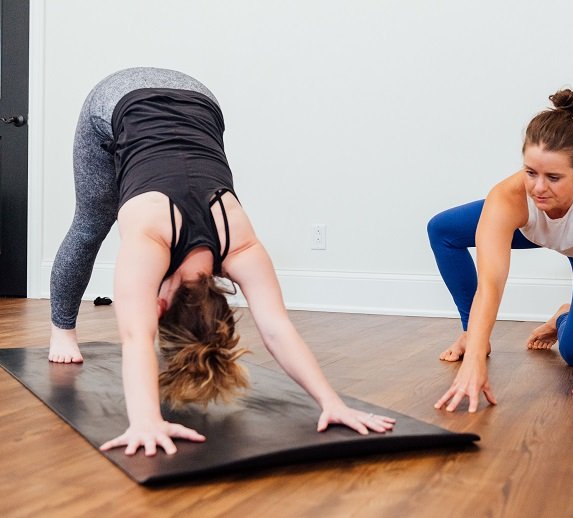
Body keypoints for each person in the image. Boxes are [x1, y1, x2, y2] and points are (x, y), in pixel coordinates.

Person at [48, 67, 395, 455]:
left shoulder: (239, 244)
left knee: (100, 217)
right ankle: (62, 329)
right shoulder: (150, 240)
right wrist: (145, 421)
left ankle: (63, 331)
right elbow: (136, 337)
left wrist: (333, 402)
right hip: (118, 98)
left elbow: (277, 329)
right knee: (92, 221)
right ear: (159, 308)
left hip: (201, 99)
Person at [428, 89, 573, 413]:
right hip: (537, 227)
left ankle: (564, 316)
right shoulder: (509, 198)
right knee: (443, 230)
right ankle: (471, 335)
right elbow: (491, 284)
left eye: (553, 177)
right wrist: (475, 353)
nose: (539, 188)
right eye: (531, 172)